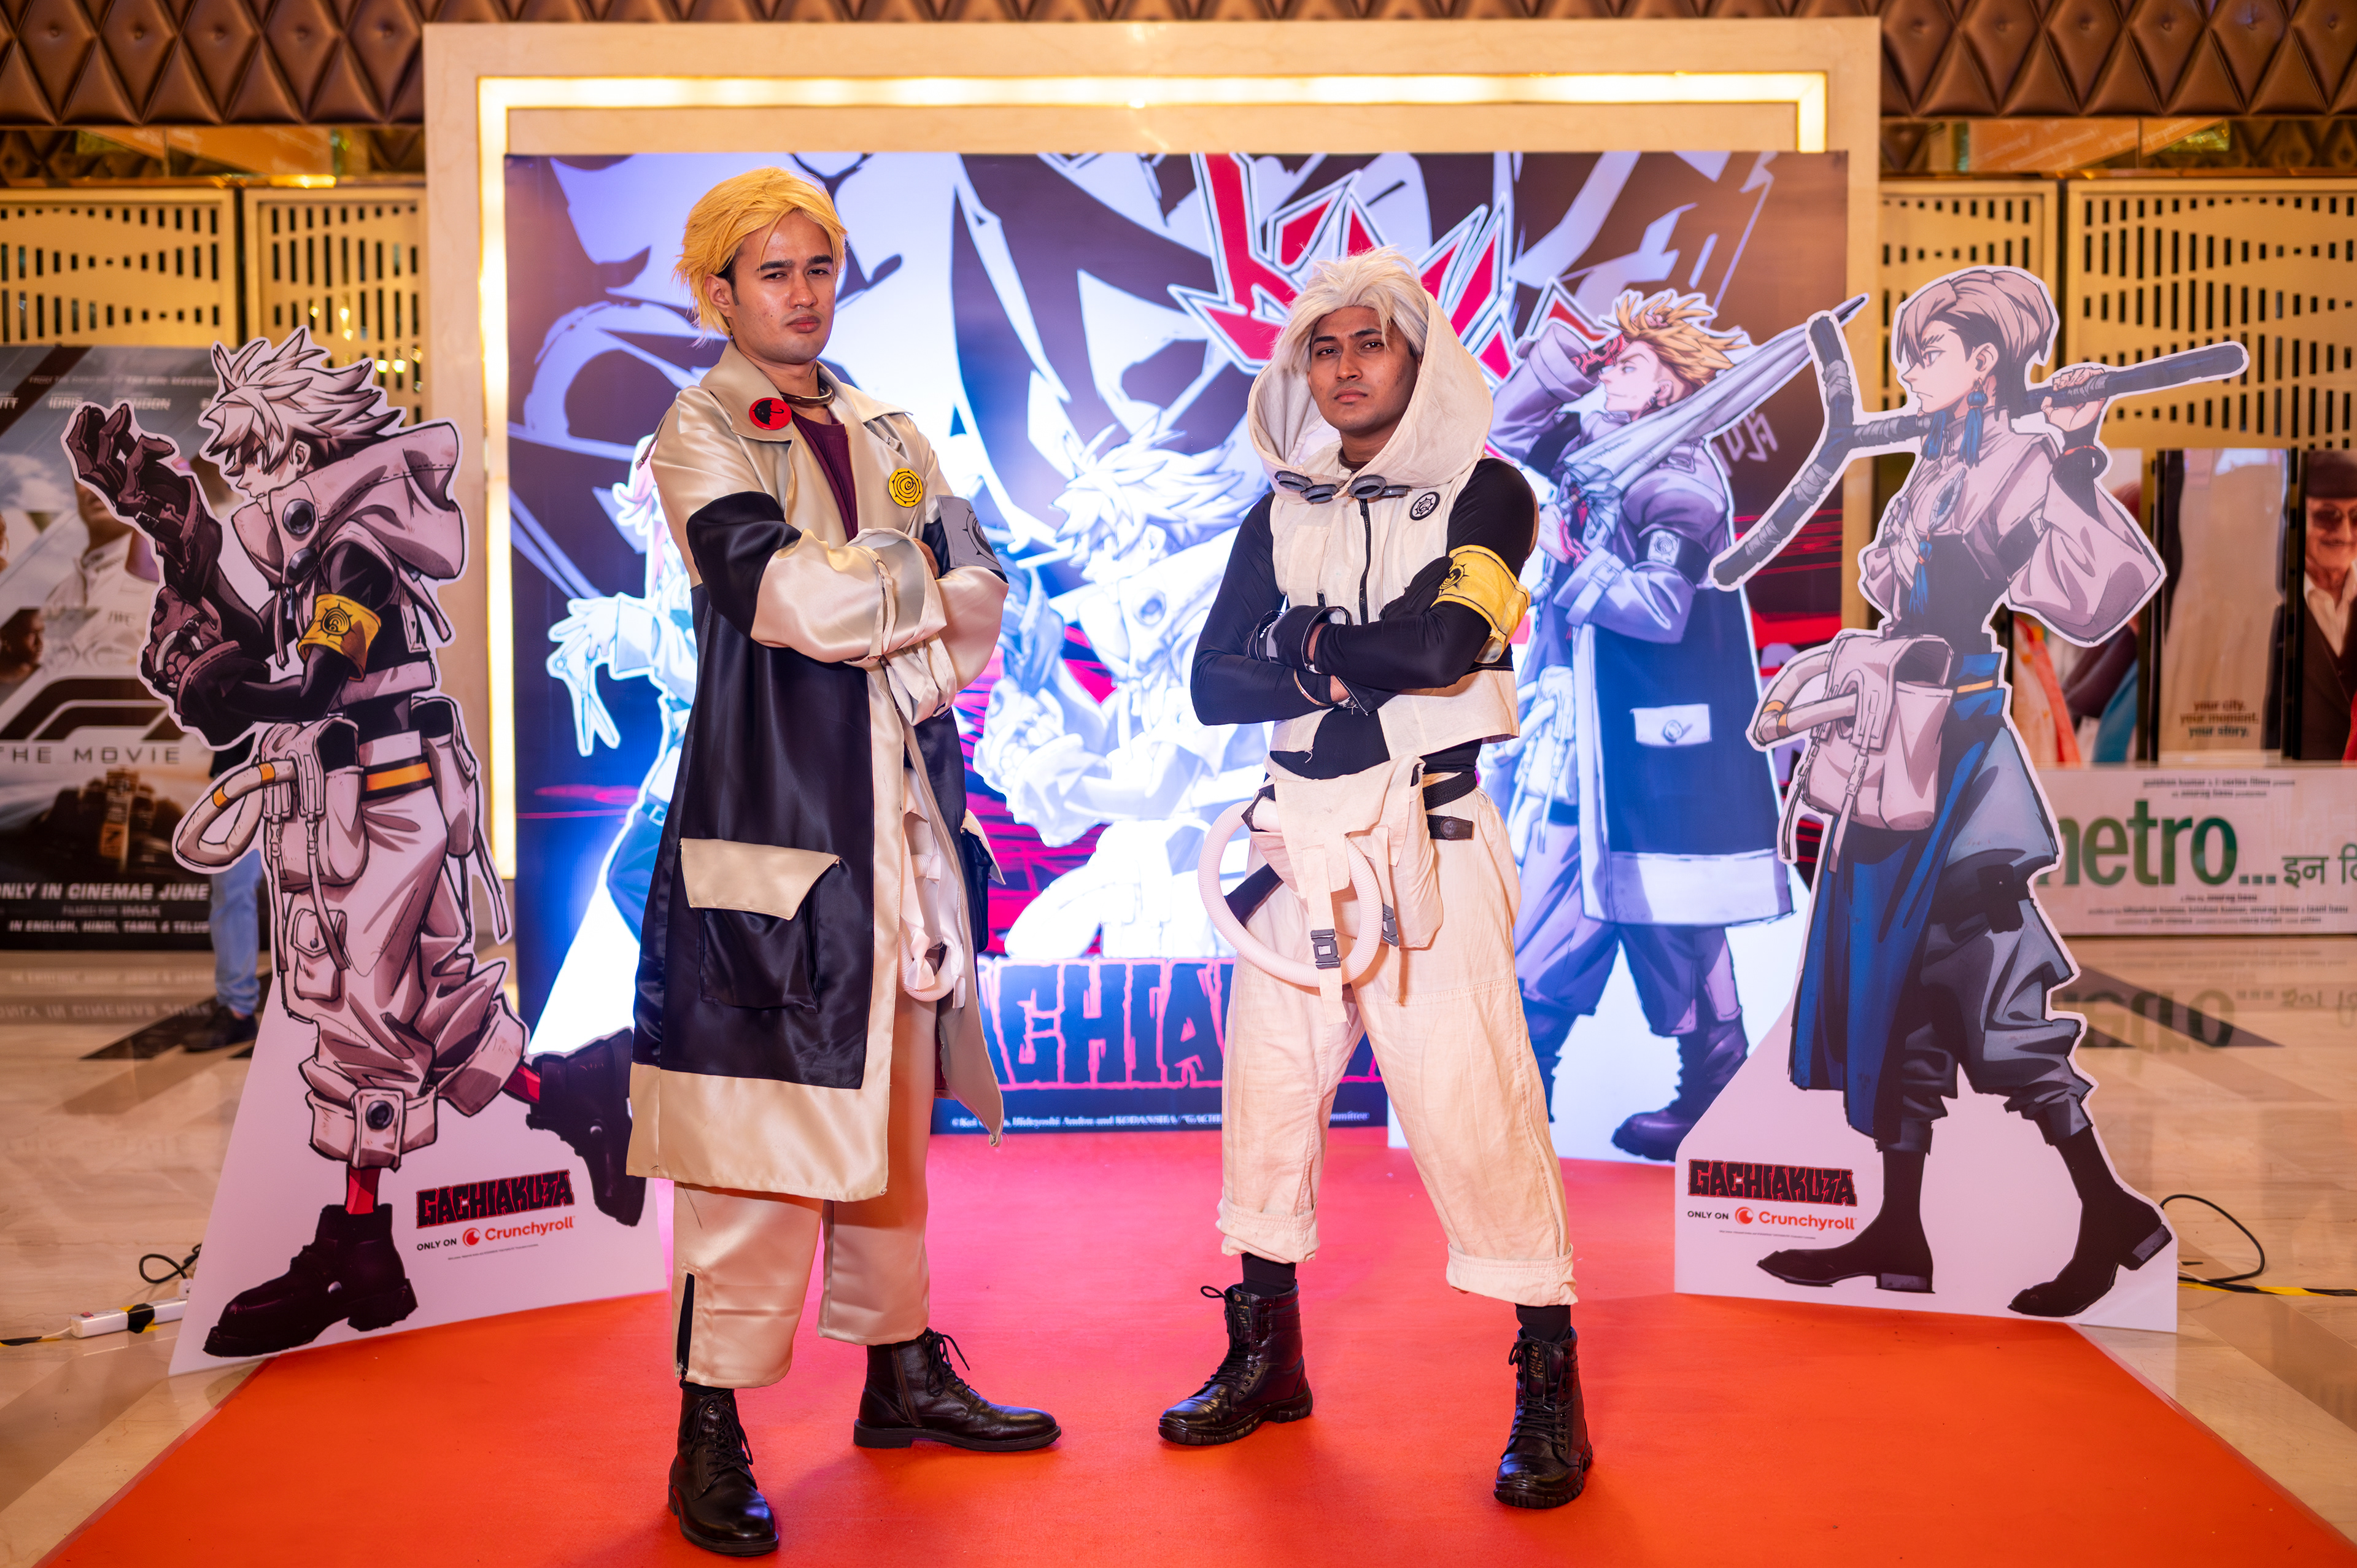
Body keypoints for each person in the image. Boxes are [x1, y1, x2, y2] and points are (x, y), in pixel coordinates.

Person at [66, 330, 640, 1362]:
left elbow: (310, 687)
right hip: (382, 795)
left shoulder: (356, 549)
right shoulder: (333, 539)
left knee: (360, 1022)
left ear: (297, 444)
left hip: (372, 805)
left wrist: (216, 684)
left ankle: (361, 1250)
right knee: (432, 1006)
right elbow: (265, 635)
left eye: (251, 455)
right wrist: (175, 526)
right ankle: (580, 1099)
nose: (247, 476)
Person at [632, 168, 1051, 1558]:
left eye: (818, 266)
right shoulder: (697, 430)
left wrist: (890, 590)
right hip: (768, 821)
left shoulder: (890, 427)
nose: (803, 293)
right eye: (773, 271)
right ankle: (709, 1427)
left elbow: (985, 592)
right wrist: (905, 585)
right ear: (719, 292)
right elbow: (788, 599)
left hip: (903, 818)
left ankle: (900, 1371)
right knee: (751, 1146)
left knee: (891, 1117)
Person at [1177, 249, 1586, 1509]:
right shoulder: (1281, 508)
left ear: (1418, 357)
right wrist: (1357, 653)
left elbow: (1450, 643)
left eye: (1372, 344)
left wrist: (1296, 642)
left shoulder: (1489, 492)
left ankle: (1550, 1390)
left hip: (1434, 836)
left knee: (1474, 1102)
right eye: (1326, 348)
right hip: (1293, 840)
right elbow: (1211, 684)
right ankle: (1268, 1358)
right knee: (1268, 1098)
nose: (1347, 368)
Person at [1754, 268, 2170, 1317]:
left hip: (1958, 752)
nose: (1909, 370)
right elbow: (1894, 584)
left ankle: (2109, 1210)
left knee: (1984, 981)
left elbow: (2100, 595)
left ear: (1987, 360)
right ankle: (1901, 1230)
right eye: (1907, 352)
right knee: (1897, 987)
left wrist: (2073, 452)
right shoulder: (1940, 456)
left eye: (1928, 352)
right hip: (1897, 739)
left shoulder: (2025, 456)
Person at [1488, 292, 1789, 1156]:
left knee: (1660, 915)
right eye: (1611, 363)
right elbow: (1507, 431)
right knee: (1597, 904)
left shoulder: (1679, 482)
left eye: (1628, 364)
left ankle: (1696, 1094)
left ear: (1669, 386)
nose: (1610, 375)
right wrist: (1568, 361)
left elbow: (1661, 609)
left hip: (1647, 743)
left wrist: (1568, 563)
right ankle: (1526, 1105)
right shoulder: (1599, 448)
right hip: (1588, 725)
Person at [189, 733, 260, 1053]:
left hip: (316, 772)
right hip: (239, 774)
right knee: (231, 896)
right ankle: (237, 1011)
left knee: (330, 894)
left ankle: (336, 1012)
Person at [2297, 450, 2357, 760]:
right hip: (2296, 786)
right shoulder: (2270, 607)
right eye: (2327, 516)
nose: (2345, 534)